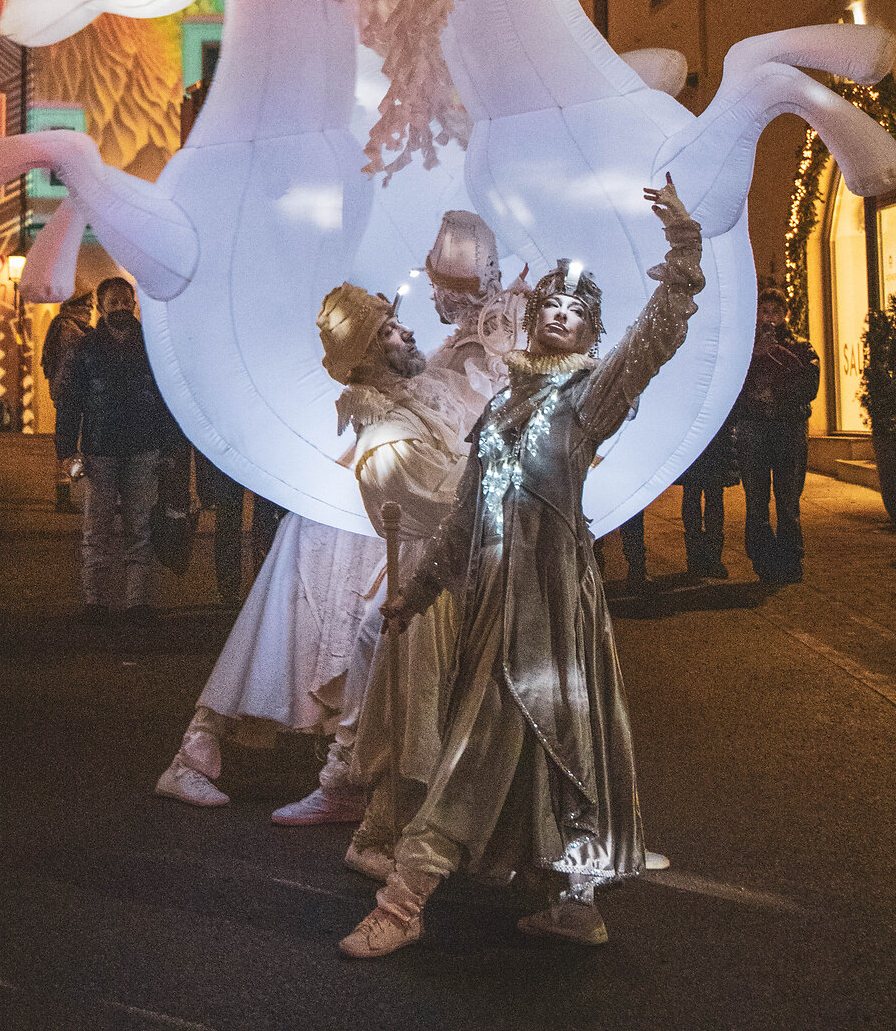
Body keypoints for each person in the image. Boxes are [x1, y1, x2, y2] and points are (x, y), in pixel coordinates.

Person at [339, 179, 703, 958]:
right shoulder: (504, 406)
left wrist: (683, 254)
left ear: (591, 330)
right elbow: (467, 513)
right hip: (492, 599)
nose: (562, 315)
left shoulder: (589, 397)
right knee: (550, 749)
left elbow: (652, 343)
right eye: (552, 306)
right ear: (533, 321)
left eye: (578, 310)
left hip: (549, 605)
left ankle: (404, 902)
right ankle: (573, 904)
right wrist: (420, 591)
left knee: (486, 738)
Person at [270, 212, 524, 859]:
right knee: (405, 682)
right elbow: (448, 498)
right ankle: (391, 824)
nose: (410, 326)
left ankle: (392, 809)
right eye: (388, 330)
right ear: (366, 357)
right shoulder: (387, 430)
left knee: (390, 661)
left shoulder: (434, 371)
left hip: (458, 560)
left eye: (398, 320)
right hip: (441, 569)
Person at [55, 275, 186, 623]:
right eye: (113, 302)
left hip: (143, 447)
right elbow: (70, 402)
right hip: (100, 449)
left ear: (134, 304)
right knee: (96, 528)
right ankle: (94, 601)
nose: (121, 307)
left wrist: (170, 447)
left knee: (140, 526)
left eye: (126, 301)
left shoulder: (152, 346)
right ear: (101, 307)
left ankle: (136, 602)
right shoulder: (85, 349)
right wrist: (66, 450)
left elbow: (166, 399)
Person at [732, 285, 819, 585]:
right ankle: (764, 560)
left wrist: (778, 356)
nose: (770, 318)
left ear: (785, 315)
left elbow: (809, 385)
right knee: (757, 500)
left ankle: (790, 559)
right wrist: (754, 355)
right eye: (765, 311)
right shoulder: (744, 347)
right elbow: (734, 385)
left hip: (788, 429)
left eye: (776, 312)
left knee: (788, 498)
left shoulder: (801, 346)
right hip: (754, 429)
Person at [193, 452, 282, 608]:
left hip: (233, 453)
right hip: (255, 451)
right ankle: (261, 586)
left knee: (232, 517)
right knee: (261, 516)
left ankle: (232, 589)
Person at [41, 291, 91, 512]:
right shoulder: (67, 327)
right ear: (75, 306)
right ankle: (63, 496)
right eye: (86, 305)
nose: (89, 310)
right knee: (66, 447)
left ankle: (69, 493)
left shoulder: (69, 325)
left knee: (70, 444)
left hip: (72, 393)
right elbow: (78, 352)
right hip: (70, 393)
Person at [678, 418, 738, 580]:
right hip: (712, 437)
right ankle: (709, 558)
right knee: (709, 497)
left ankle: (698, 558)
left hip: (700, 437)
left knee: (698, 496)